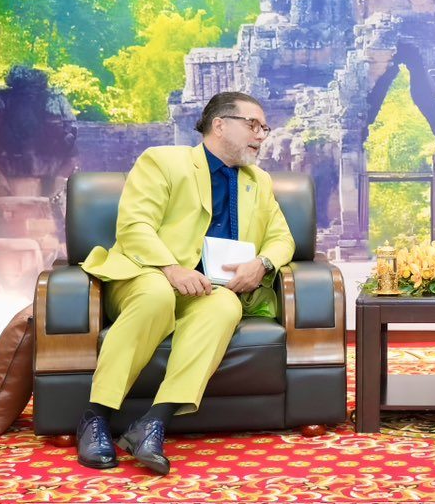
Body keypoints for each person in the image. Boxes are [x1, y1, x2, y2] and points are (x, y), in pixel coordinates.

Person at [75, 92, 295, 474]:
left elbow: (282, 239)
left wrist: (262, 264)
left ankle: (152, 423)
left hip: (207, 290)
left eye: (265, 127)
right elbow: (134, 226)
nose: (261, 135)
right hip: (147, 275)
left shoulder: (258, 181)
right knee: (158, 295)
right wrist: (171, 268)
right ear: (219, 125)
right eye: (253, 125)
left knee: (226, 305)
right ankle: (95, 417)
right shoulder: (163, 161)